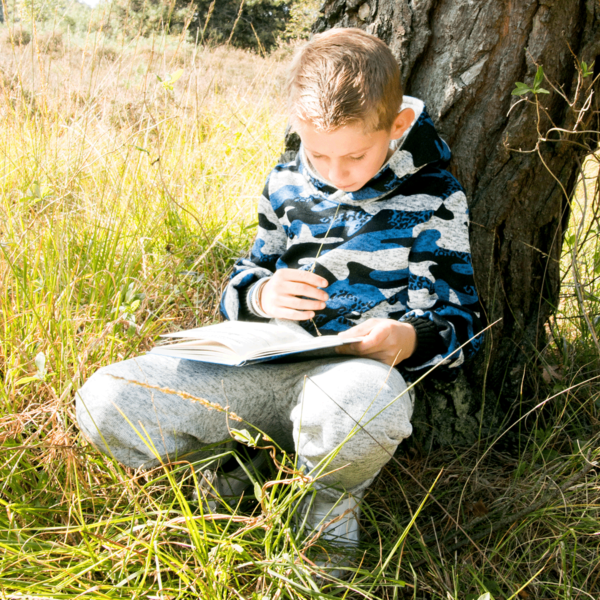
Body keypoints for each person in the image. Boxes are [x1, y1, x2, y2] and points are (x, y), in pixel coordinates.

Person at [76, 28, 482, 576]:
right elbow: (243, 279)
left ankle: (324, 514)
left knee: (362, 410)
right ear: (297, 127)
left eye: (355, 156)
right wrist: (263, 294)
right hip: (261, 365)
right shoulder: (286, 183)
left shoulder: (434, 197)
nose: (335, 174)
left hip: (352, 379)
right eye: (318, 154)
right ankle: (235, 471)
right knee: (106, 402)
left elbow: (463, 320)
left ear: (399, 126)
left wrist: (406, 338)